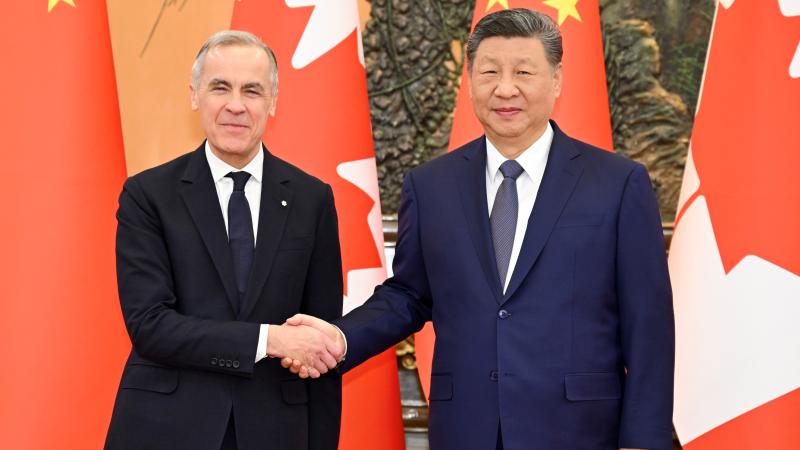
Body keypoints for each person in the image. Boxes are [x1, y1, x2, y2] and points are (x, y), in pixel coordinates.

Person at [284, 8, 674, 450]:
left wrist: (644, 440)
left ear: (557, 80)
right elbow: (410, 295)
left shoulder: (618, 184)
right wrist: (339, 336)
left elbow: (649, 325)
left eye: (524, 71)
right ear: (470, 80)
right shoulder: (431, 185)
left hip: (579, 430)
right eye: (489, 71)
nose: (505, 88)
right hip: (466, 427)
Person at [104, 31, 343, 450]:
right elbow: (150, 325)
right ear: (195, 95)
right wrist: (269, 339)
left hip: (277, 430)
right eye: (220, 87)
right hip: (166, 430)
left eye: (252, 90)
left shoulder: (313, 199)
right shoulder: (148, 195)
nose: (236, 105)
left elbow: (319, 339)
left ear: (273, 102)